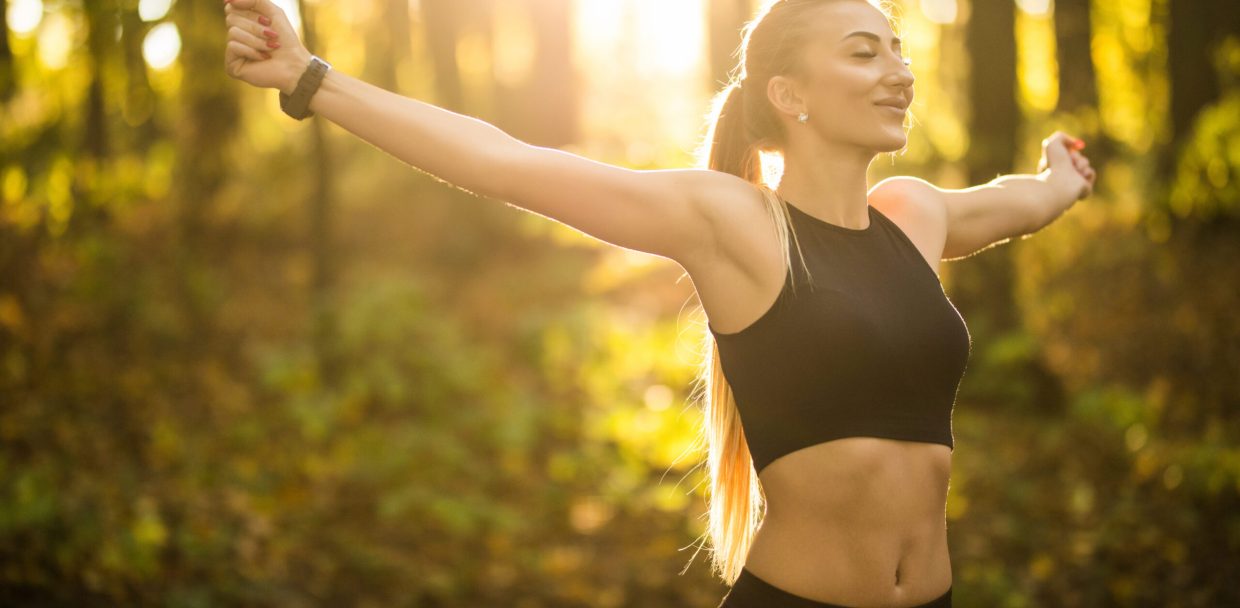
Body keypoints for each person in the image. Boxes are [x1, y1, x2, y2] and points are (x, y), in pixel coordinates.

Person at [222, 0, 1096, 606]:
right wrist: (309, 78)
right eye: (863, 52)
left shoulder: (913, 216)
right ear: (788, 96)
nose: (897, 69)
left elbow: (1018, 202)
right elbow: (504, 161)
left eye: (896, 47)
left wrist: (1061, 178)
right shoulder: (735, 223)